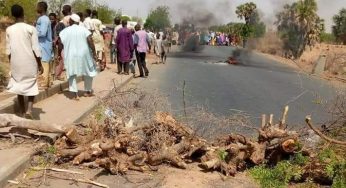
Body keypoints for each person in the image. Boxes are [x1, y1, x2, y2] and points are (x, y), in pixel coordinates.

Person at [6, 4, 44, 118]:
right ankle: (29, 110)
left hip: (16, 62)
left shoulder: (9, 29)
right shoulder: (31, 28)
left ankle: (22, 112)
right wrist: (40, 65)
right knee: (31, 84)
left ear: (13, 15)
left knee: (19, 86)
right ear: (23, 13)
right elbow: (36, 49)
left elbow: (8, 51)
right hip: (30, 62)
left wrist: (11, 64)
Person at [59, 14, 98, 100]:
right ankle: (87, 91)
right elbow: (90, 41)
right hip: (84, 54)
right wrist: (94, 53)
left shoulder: (65, 31)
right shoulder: (84, 30)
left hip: (70, 54)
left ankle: (74, 94)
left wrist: (59, 54)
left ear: (71, 21)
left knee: (71, 73)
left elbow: (60, 43)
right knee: (89, 71)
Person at [36, 1, 52, 89]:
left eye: (37, 7)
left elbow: (42, 33)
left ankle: (44, 83)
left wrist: (33, 33)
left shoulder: (43, 19)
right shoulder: (44, 18)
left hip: (43, 44)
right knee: (46, 63)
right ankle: (48, 82)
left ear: (41, 8)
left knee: (44, 63)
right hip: (45, 44)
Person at [55, 4, 72, 80]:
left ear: (63, 12)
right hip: (73, 44)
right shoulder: (75, 20)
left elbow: (60, 36)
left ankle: (58, 75)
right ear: (70, 11)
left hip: (64, 45)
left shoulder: (61, 22)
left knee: (62, 59)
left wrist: (59, 47)